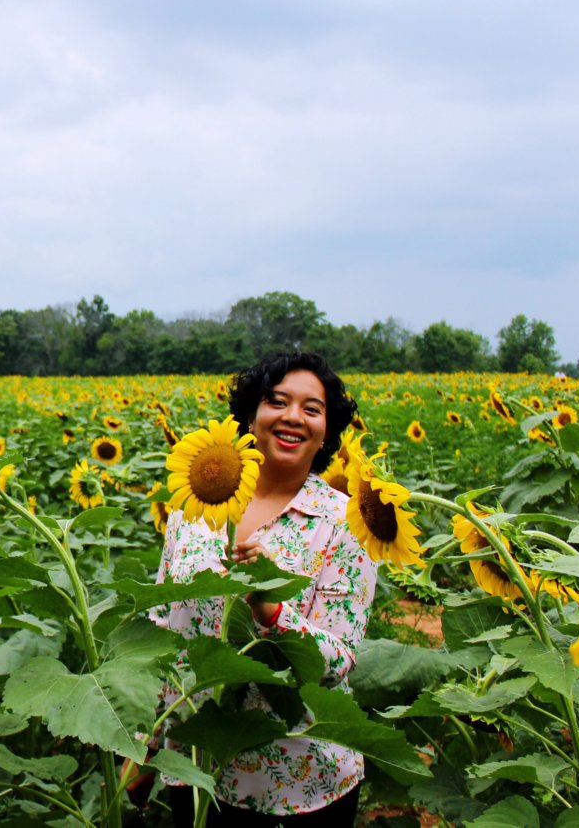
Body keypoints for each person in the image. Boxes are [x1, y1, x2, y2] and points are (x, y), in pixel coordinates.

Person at [148, 352, 374, 826]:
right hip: (192, 767)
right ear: (250, 417)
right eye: (277, 402)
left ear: (327, 433)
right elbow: (160, 628)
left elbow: (336, 662)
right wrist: (143, 745)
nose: (293, 417)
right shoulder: (192, 505)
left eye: (312, 409)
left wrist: (272, 611)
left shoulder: (345, 524)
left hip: (294, 781)